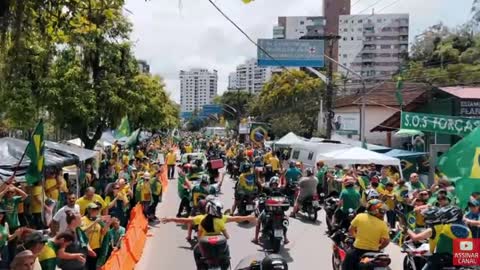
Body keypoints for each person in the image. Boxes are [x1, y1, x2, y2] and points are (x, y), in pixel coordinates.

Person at [161, 200, 256, 269]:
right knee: (227, 251)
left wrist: (170, 219)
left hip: (205, 247)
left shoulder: (201, 218)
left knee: (196, 251)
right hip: (219, 247)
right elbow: (237, 219)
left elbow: (184, 220)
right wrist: (248, 217)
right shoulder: (222, 218)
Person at [407, 206, 471, 270]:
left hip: (443, 259)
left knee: (433, 258)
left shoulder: (443, 227)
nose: (443, 219)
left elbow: (416, 238)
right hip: (463, 261)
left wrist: (406, 228)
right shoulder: (467, 229)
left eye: (445, 216)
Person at [342, 199, 390, 270]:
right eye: (381, 210)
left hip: (358, 250)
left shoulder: (360, 216)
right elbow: (386, 241)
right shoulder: (383, 224)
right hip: (375, 251)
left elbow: (350, 230)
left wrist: (356, 237)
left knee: (346, 264)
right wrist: (379, 247)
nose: (382, 212)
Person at [252, 177, 289, 245]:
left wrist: (257, 178)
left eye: (275, 184)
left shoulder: (269, 189)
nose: (274, 185)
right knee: (284, 221)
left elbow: (261, 186)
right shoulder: (280, 190)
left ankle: (256, 239)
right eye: (274, 184)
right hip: (279, 212)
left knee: (258, 220)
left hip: (269, 211)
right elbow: (285, 188)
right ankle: (286, 239)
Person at [81, 203, 109, 270]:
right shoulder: (83, 219)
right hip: (86, 248)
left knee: (93, 266)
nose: (95, 211)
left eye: (97, 209)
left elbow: (103, 233)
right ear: (88, 210)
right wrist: (94, 222)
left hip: (96, 248)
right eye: (93, 209)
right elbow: (83, 231)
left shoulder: (99, 221)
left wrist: (108, 223)